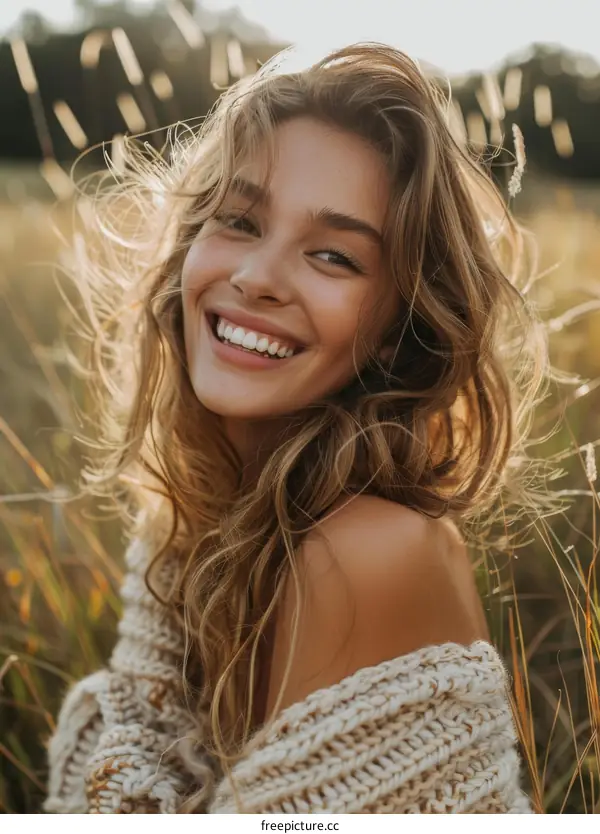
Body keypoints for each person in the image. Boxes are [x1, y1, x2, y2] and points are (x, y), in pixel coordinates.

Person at [43, 41, 548, 813]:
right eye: (240, 221)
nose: (255, 277)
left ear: (396, 324)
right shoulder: (201, 507)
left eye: (333, 257)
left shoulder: (367, 550)